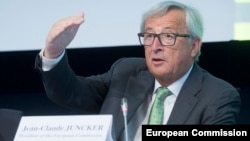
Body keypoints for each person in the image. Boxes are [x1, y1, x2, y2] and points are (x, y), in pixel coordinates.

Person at [35, 1, 241, 141]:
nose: (155, 46)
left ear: (194, 46)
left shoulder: (217, 95)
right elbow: (70, 92)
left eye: (168, 36)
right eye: (149, 36)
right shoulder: (127, 72)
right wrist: (54, 52)